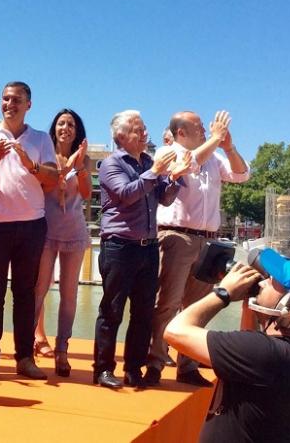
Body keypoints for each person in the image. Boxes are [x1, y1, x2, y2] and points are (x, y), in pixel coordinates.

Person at [164, 250, 290, 442]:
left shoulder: (267, 353)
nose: (263, 282)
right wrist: (250, 304)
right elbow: (248, 344)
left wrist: (223, 293)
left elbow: (175, 331)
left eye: (273, 281)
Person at [145, 110, 250, 388]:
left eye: (205, 127)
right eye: (199, 127)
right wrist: (216, 139)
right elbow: (189, 164)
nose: (205, 129)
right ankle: (155, 362)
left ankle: (187, 366)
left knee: (197, 306)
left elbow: (241, 175)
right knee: (166, 302)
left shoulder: (215, 157)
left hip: (209, 241)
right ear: (181, 133)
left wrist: (229, 147)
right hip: (177, 237)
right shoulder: (168, 153)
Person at [93, 110, 190, 389]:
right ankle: (103, 369)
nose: (145, 133)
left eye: (145, 127)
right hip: (120, 246)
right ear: (121, 137)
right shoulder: (110, 164)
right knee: (112, 310)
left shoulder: (148, 161)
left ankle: (133, 368)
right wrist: (157, 171)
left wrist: (174, 179)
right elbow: (126, 194)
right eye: (138, 129)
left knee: (143, 312)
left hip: (148, 247)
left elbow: (165, 199)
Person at [0, 82, 58, 380]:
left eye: (16, 100)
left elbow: (53, 180)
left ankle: (25, 358)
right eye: (5, 99)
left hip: (31, 225)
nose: (10, 104)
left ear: (28, 105)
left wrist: (28, 163)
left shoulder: (42, 139)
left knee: (25, 293)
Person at [33, 109, 91, 377]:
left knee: (69, 295)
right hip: (46, 230)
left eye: (70, 124)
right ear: (53, 128)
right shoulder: (45, 154)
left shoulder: (84, 159)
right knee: (39, 290)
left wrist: (78, 166)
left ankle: (62, 349)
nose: (65, 128)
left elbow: (88, 194)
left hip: (74, 232)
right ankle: (28, 345)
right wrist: (65, 168)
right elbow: (44, 187)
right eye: (60, 123)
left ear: (77, 130)